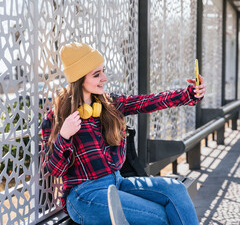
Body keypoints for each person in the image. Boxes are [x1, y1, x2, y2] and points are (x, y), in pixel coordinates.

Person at [41, 42, 207, 225]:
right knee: (161, 216)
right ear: (79, 79)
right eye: (97, 74)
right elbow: (54, 170)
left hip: (117, 182)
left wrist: (190, 94)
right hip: (85, 196)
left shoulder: (109, 104)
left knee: (176, 189)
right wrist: (64, 136)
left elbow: (148, 101)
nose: (104, 78)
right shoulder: (56, 118)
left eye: (103, 71)